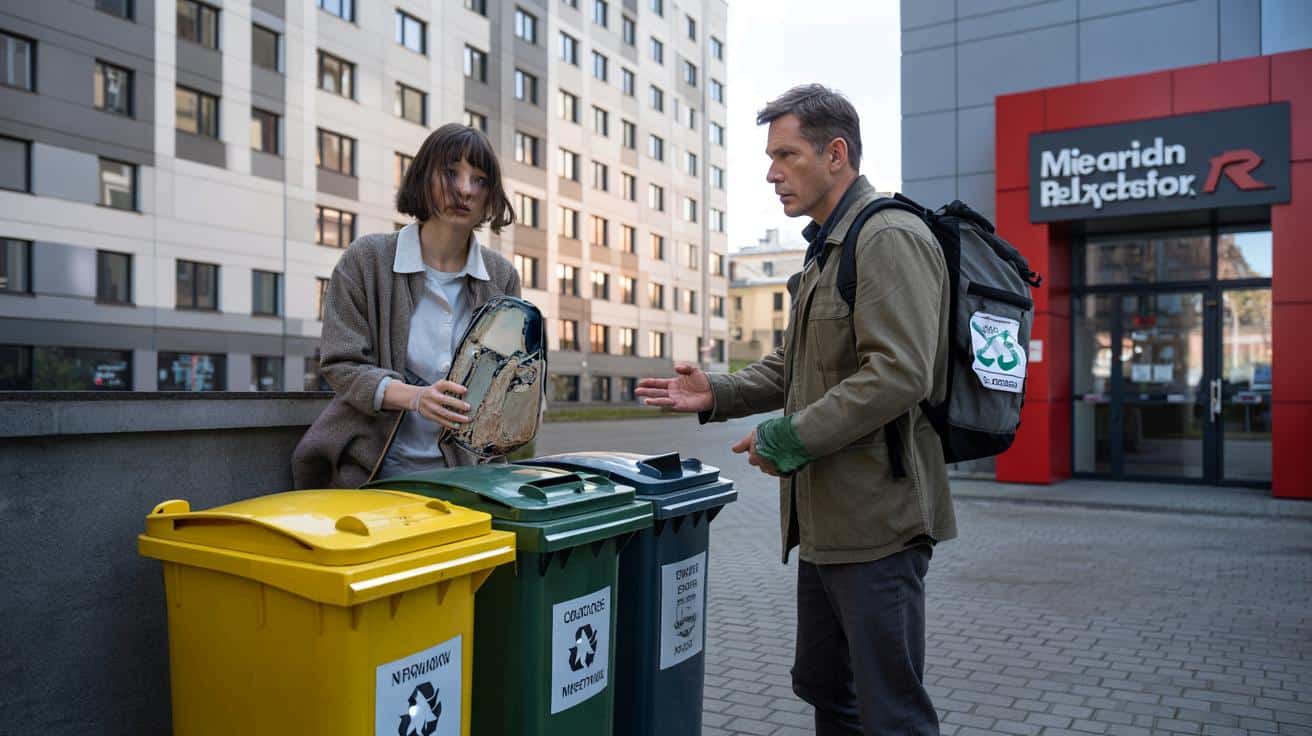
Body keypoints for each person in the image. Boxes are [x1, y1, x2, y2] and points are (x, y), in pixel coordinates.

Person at [636, 85, 956, 735]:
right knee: (829, 697)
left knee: (889, 713)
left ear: (835, 154)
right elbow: (795, 368)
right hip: (826, 524)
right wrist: (716, 393)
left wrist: (787, 438)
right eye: (770, 156)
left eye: (786, 154)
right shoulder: (823, 253)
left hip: (880, 524)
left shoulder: (888, 236)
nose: (771, 172)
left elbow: (899, 373)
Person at [293, 123, 521, 489]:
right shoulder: (366, 260)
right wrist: (415, 398)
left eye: (478, 179)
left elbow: (508, 386)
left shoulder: (501, 277)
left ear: (490, 195)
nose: (464, 189)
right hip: (373, 477)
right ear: (422, 177)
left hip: (471, 481)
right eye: (450, 173)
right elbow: (341, 362)